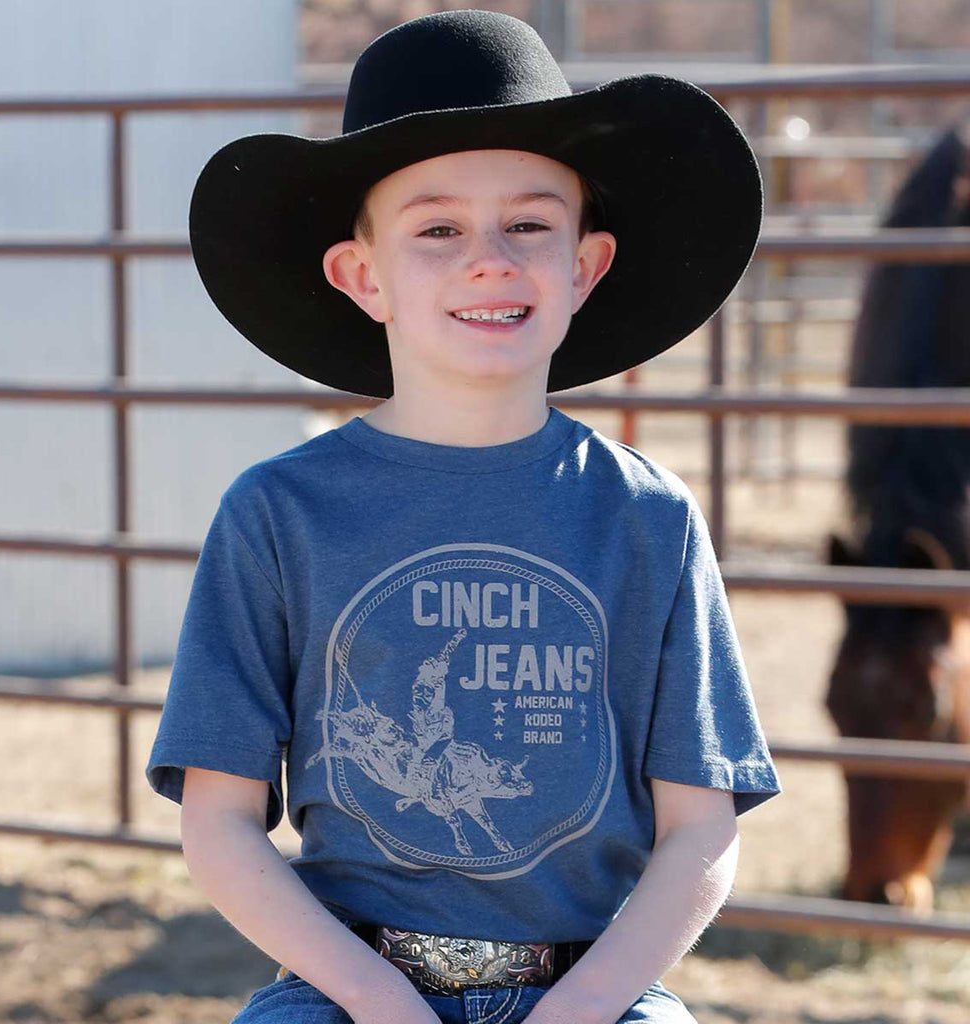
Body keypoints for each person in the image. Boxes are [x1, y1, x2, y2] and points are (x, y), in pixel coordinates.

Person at [145, 10, 782, 1024]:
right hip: (350, 986)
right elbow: (219, 821)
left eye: (529, 225)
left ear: (584, 265)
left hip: (591, 989)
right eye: (437, 230)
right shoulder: (278, 514)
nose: (489, 259)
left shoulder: (648, 519)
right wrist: (376, 1001)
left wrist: (582, 1008)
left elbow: (701, 829)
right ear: (364, 277)